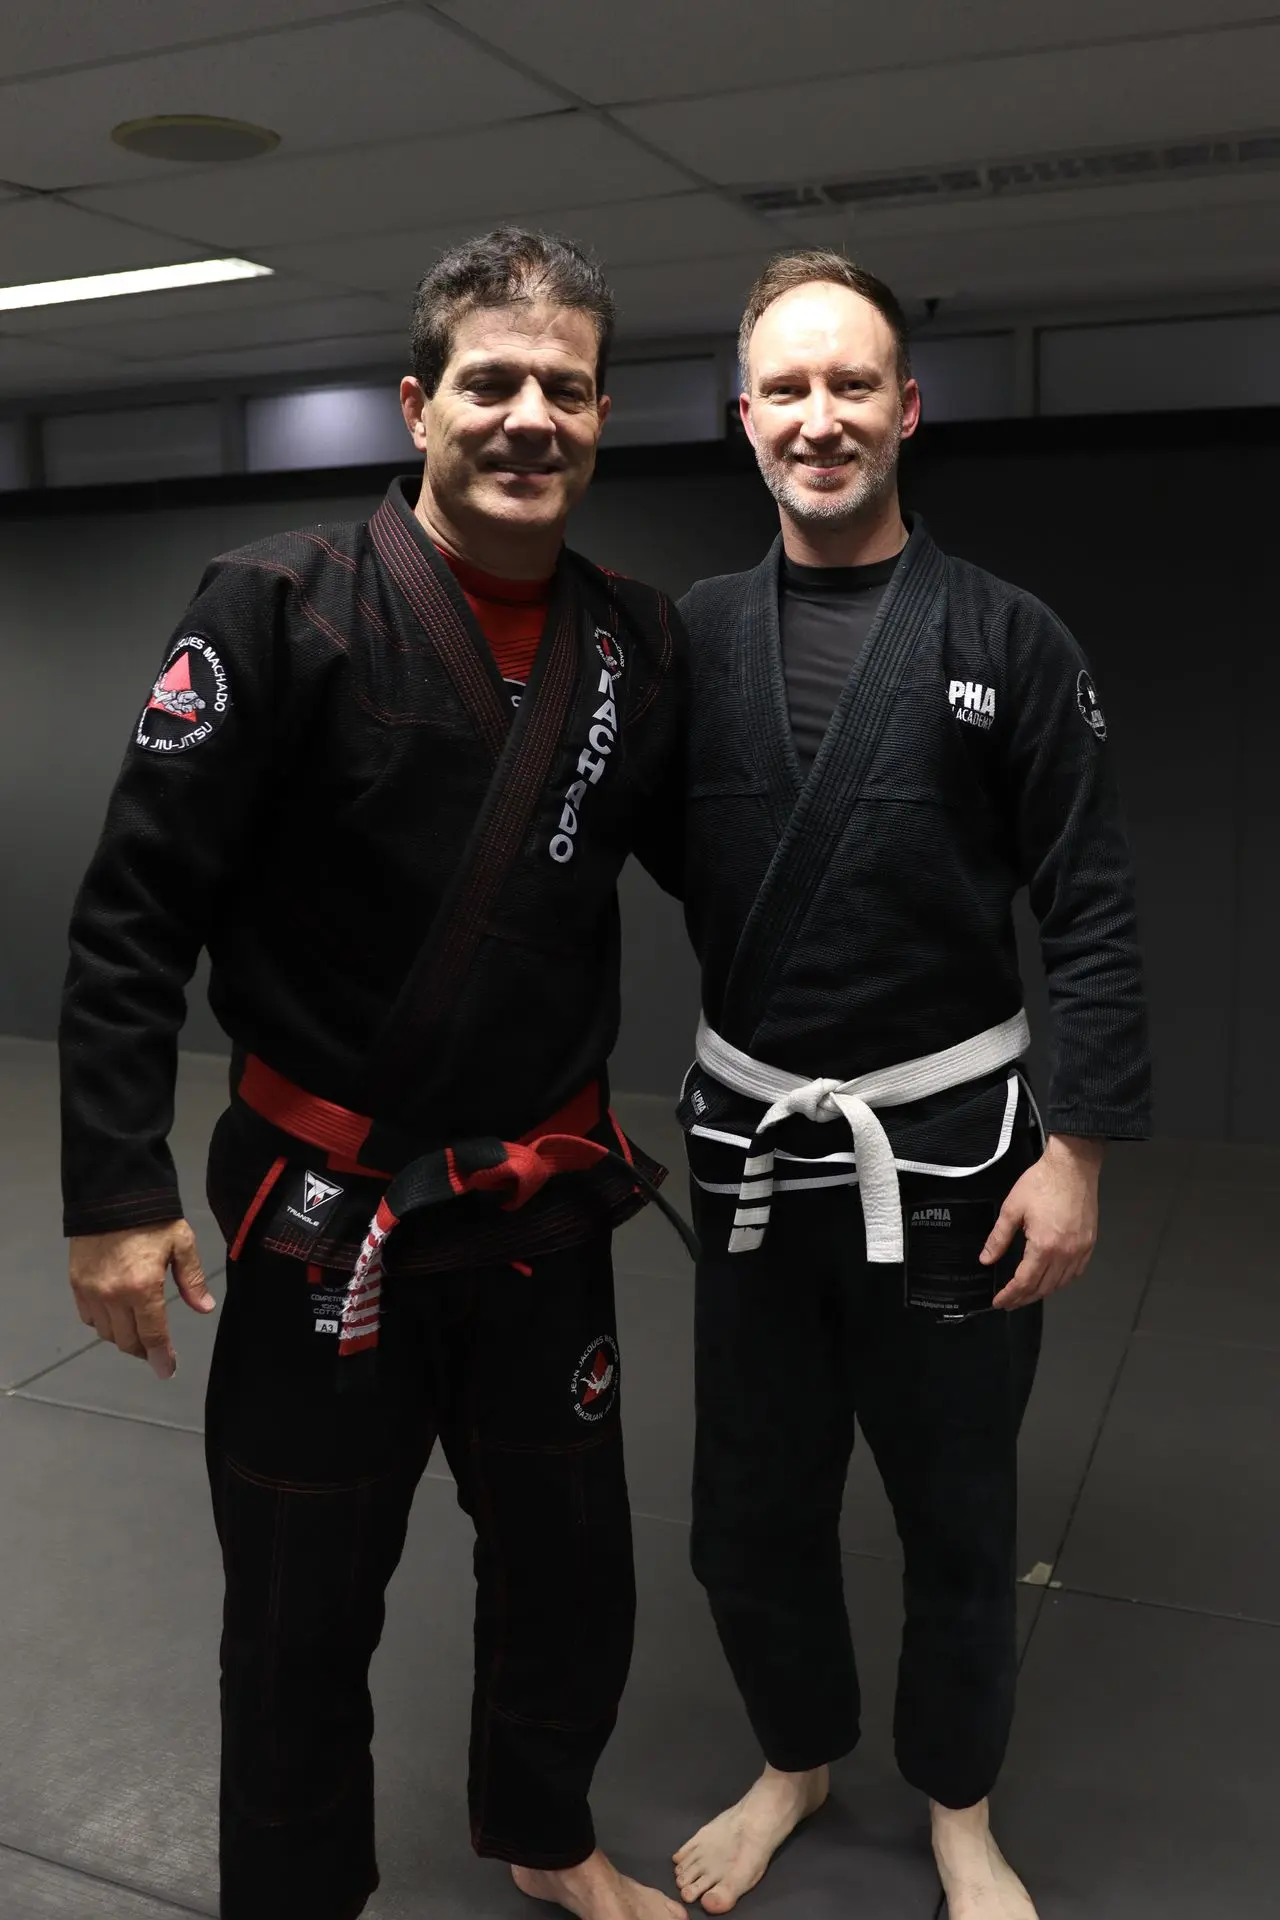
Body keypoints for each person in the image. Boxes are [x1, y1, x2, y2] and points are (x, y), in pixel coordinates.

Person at [59, 229, 691, 1920]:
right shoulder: (274, 608)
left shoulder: (633, 644)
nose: (528, 417)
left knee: (574, 1575)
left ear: (603, 414)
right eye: (492, 383)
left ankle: (544, 1834)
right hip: (324, 1215)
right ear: (419, 404)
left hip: (543, 1213)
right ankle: (295, 1898)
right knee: (299, 1605)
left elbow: (726, 871)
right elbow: (134, 916)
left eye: (565, 387)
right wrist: (116, 1193)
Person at [669, 251, 1150, 1920]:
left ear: (907, 409)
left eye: (852, 385)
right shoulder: (690, 644)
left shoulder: (1006, 636)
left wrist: (1076, 1154)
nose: (822, 418)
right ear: (745, 421)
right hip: (753, 1166)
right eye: (788, 390)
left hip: (955, 1163)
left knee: (958, 1519)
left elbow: (1088, 908)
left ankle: (958, 1810)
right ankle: (797, 1760)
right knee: (747, 1518)